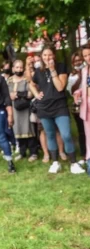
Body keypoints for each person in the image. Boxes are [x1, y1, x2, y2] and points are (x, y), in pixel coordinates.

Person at [29, 45, 84, 174]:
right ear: (41, 57)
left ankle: (73, 163)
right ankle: (55, 162)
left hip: (60, 106)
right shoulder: (38, 71)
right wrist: (36, 94)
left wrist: (53, 70)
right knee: (50, 134)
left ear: (54, 55)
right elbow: (31, 84)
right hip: (44, 108)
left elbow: (60, 87)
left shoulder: (61, 67)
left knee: (66, 135)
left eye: (49, 55)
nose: (47, 58)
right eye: (44, 55)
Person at [7, 60, 38, 162]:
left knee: (29, 129)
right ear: (13, 69)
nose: (19, 69)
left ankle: (33, 153)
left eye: (21, 67)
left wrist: (18, 94)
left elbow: (30, 94)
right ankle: (22, 152)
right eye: (17, 67)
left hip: (26, 108)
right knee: (18, 129)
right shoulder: (9, 80)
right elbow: (7, 94)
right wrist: (10, 96)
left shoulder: (26, 79)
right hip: (15, 110)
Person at [67, 51, 86, 164]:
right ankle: (84, 152)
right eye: (76, 60)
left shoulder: (87, 70)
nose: (78, 62)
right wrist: (79, 77)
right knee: (81, 130)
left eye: (80, 59)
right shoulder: (72, 75)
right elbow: (71, 91)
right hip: (77, 105)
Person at [74, 44, 90, 174]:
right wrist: (78, 92)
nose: (87, 58)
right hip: (86, 106)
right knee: (88, 135)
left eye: (89, 54)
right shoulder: (84, 70)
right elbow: (85, 86)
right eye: (85, 56)